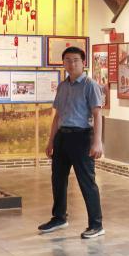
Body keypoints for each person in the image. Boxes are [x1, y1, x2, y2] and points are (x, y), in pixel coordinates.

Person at [38, 46, 105, 238]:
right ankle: (59, 218)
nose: (71, 63)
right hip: (62, 137)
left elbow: (97, 114)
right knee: (58, 179)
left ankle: (96, 224)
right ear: (63, 63)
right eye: (67, 60)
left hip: (82, 137)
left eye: (75, 60)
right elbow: (58, 115)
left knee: (86, 181)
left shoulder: (90, 85)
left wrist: (97, 142)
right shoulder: (63, 86)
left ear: (83, 63)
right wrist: (51, 141)